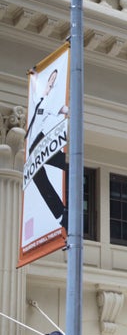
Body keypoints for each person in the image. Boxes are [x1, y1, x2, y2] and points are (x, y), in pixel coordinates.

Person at [26, 68, 69, 231]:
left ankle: (65, 209)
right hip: (31, 148)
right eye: (48, 81)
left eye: (52, 83)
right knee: (40, 180)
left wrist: (71, 111)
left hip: (40, 141)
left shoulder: (50, 102)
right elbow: (37, 86)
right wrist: (36, 76)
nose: (49, 85)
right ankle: (60, 214)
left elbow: (63, 110)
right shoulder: (38, 98)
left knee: (61, 162)